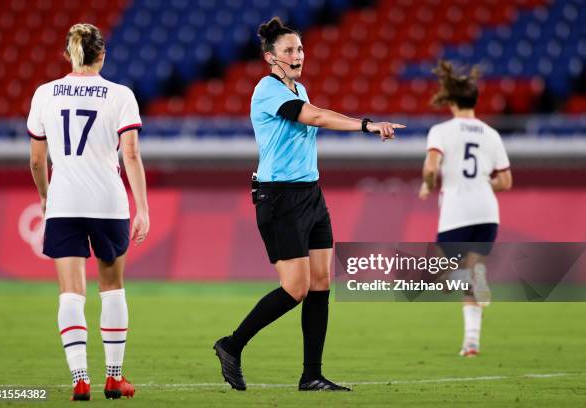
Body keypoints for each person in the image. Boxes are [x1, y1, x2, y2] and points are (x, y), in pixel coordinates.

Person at [213, 17, 405, 391]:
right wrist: (367, 126)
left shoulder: (297, 88)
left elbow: (311, 113)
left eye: (299, 48)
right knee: (296, 288)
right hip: (279, 197)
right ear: (270, 58)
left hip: (311, 195)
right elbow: (314, 117)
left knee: (321, 283)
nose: (297, 54)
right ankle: (232, 345)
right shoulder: (267, 91)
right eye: (288, 50)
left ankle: (311, 375)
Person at [28, 23, 149, 400]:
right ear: (102, 55)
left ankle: (80, 379)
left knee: (71, 294)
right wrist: (142, 207)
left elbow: (36, 161)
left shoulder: (44, 94)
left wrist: (47, 197)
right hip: (107, 203)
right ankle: (113, 377)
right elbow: (129, 154)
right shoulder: (119, 95)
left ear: (68, 54)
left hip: (64, 202)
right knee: (112, 289)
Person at [419, 60, 512, 357]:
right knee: (474, 273)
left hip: (456, 211)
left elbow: (431, 166)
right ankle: (471, 343)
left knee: (438, 276)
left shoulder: (441, 131)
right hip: (487, 211)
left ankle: (473, 282)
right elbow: (506, 180)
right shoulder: (492, 134)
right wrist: (483, 186)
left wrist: (427, 184)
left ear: (451, 100)